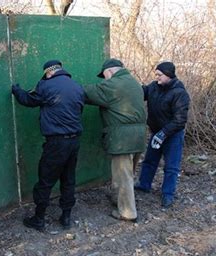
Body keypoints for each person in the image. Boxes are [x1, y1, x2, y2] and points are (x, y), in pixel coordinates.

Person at [11, 60, 84, 231]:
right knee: (68, 179)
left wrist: (16, 90)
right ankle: (66, 217)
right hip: (74, 141)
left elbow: (29, 100)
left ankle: (39, 218)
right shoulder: (77, 87)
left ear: (48, 72)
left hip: (56, 142)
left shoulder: (46, 85)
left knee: (45, 180)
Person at [83, 58, 146, 222]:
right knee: (128, 173)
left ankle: (128, 212)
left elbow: (87, 93)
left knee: (123, 175)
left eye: (104, 76)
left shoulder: (113, 85)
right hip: (138, 136)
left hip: (122, 139)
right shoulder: (134, 83)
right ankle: (120, 199)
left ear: (109, 72)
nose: (104, 79)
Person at [134, 61, 190, 208]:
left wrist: (163, 133)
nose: (156, 77)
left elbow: (180, 120)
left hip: (173, 135)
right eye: (156, 74)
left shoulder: (180, 93)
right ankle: (144, 185)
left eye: (159, 75)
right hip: (157, 131)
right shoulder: (154, 87)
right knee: (149, 161)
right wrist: (127, 87)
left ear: (169, 75)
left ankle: (168, 194)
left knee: (171, 166)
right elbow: (139, 93)